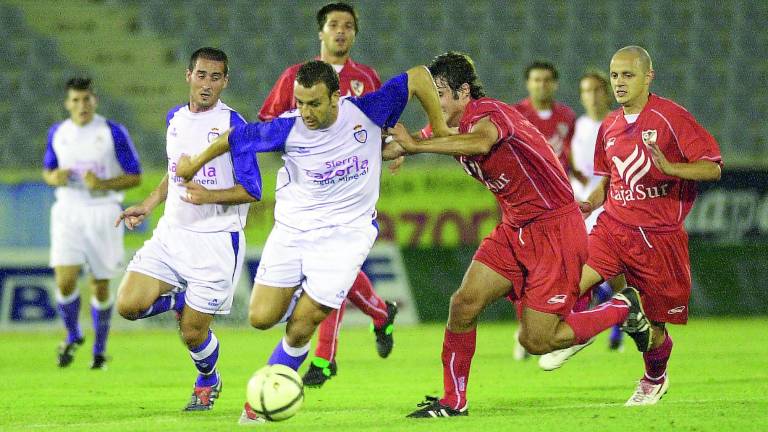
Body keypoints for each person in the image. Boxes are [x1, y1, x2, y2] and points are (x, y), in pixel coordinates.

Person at [174, 60, 448, 424]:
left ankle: (261, 402)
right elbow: (232, 138)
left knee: (304, 323)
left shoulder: (368, 110)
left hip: (346, 237)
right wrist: (193, 164)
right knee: (260, 317)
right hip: (293, 232)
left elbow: (418, 76)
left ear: (337, 96)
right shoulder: (290, 127)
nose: (305, 112)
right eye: (300, 102)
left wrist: (440, 128)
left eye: (314, 103)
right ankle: (310, 299)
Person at [386, 52, 651, 418]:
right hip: (515, 229)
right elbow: (407, 142)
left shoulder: (489, 114)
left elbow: (479, 143)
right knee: (463, 305)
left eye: (441, 93)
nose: (435, 102)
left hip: (554, 231)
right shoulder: (446, 127)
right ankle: (453, 401)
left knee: (537, 340)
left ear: (463, 92)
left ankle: (624, 305)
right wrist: (382, 145)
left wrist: (414, 146)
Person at [544, 46, 722, 405]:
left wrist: (672, 169)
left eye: (628, 75)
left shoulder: (671, 117)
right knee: (569, 280)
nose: (620, 82)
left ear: (647, 77)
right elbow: (609, 180)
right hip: (613, 227)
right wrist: (589, 203)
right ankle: (582, 331)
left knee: (654, 330)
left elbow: (713, 167)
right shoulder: (608, 126)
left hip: (659, 239)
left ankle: (654, 378)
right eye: (615, 75)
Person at [259, 1, 398, 388]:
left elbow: (382, 126)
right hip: (305, 197)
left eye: (348, 26)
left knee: (328, 276)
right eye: (334, 25)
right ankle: (380, 315)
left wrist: (393, 147)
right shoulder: (295, 77)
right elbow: (267, 124)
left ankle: (323, 359)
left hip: (350, 194)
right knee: (332, 276)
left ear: (355, 33)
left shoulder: (366, 77)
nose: (341, 31)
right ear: (320, 32)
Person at [115, 47, 259, 411]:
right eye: (201, 75)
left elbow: (252, 189)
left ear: (225, 81)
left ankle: (208, 380)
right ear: (188, 75)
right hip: (171, 235)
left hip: (215, 242)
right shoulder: (175, 118)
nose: (207, 84)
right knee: (128, 305)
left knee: (192, 333)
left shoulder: (234, 126)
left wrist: (209, 195)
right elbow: (173, 172)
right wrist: (147, 205)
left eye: (215, 77)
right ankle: (180, 299)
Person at [43, 77, 142, 370]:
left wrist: (103, 183)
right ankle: (73, 334)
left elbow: (134, 175)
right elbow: (48, 171)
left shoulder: (112, 132)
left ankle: (99, 351)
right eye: (75, 100)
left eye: (86, 99)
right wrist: (54, 177)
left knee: (99, 285)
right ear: (67, 103)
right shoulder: (58, 133)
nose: (81, 105)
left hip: (103, 210)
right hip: (67, 210)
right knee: (64, 279)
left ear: (94, 100)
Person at [539, 71, 626, 368]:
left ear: (606, 93)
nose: (591, 96)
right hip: (581, 208)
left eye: (596, 90)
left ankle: (614, 322)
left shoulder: (616, 123)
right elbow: (570, 164)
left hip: (610, 206)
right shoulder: (578, 126)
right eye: (586, 91)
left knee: (611, 276)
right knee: (576, 272)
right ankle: (586, 326)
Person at [510, 61, 579, 360]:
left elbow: (571, 155)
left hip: (558, 207)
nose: (542, 85)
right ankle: (526, 330)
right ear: (528, 84)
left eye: (547, 80)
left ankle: (554, 329)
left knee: (558, 272)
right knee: (520, 274)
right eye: (536, 80)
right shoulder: (516, 115)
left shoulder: (567, 117)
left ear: (555, 84)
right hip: (524, 205)